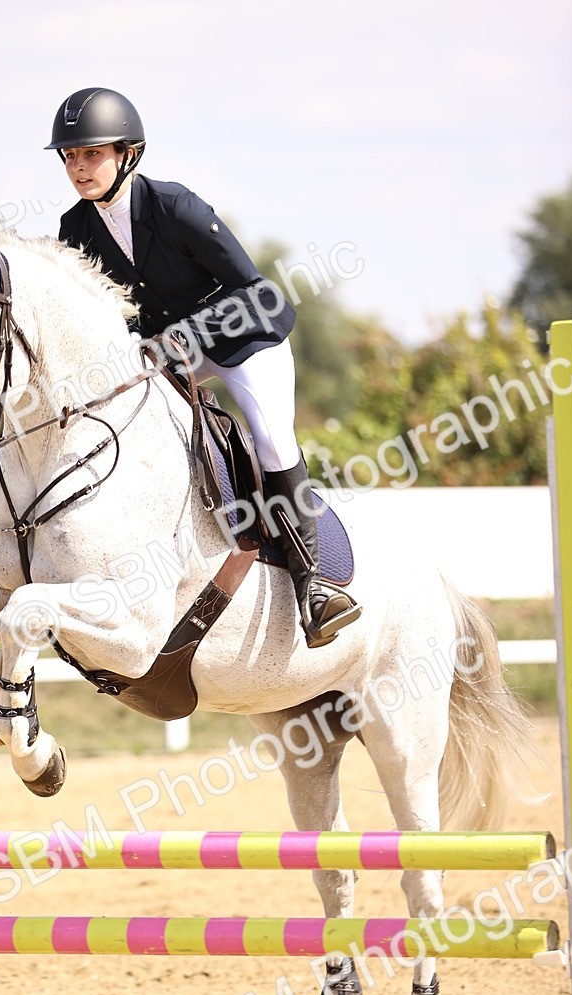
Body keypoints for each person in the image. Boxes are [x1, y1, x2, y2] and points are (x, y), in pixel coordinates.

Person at [46, 87, 360, 648]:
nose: (79, 167)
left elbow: (256, 293)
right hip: (163, 349)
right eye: (71, 157)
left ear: (127, 154)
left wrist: (182, 339)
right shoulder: (77, 229)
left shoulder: (175, 206)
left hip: (243, 340)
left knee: (269, 435)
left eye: (92, 153)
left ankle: (313, 584)